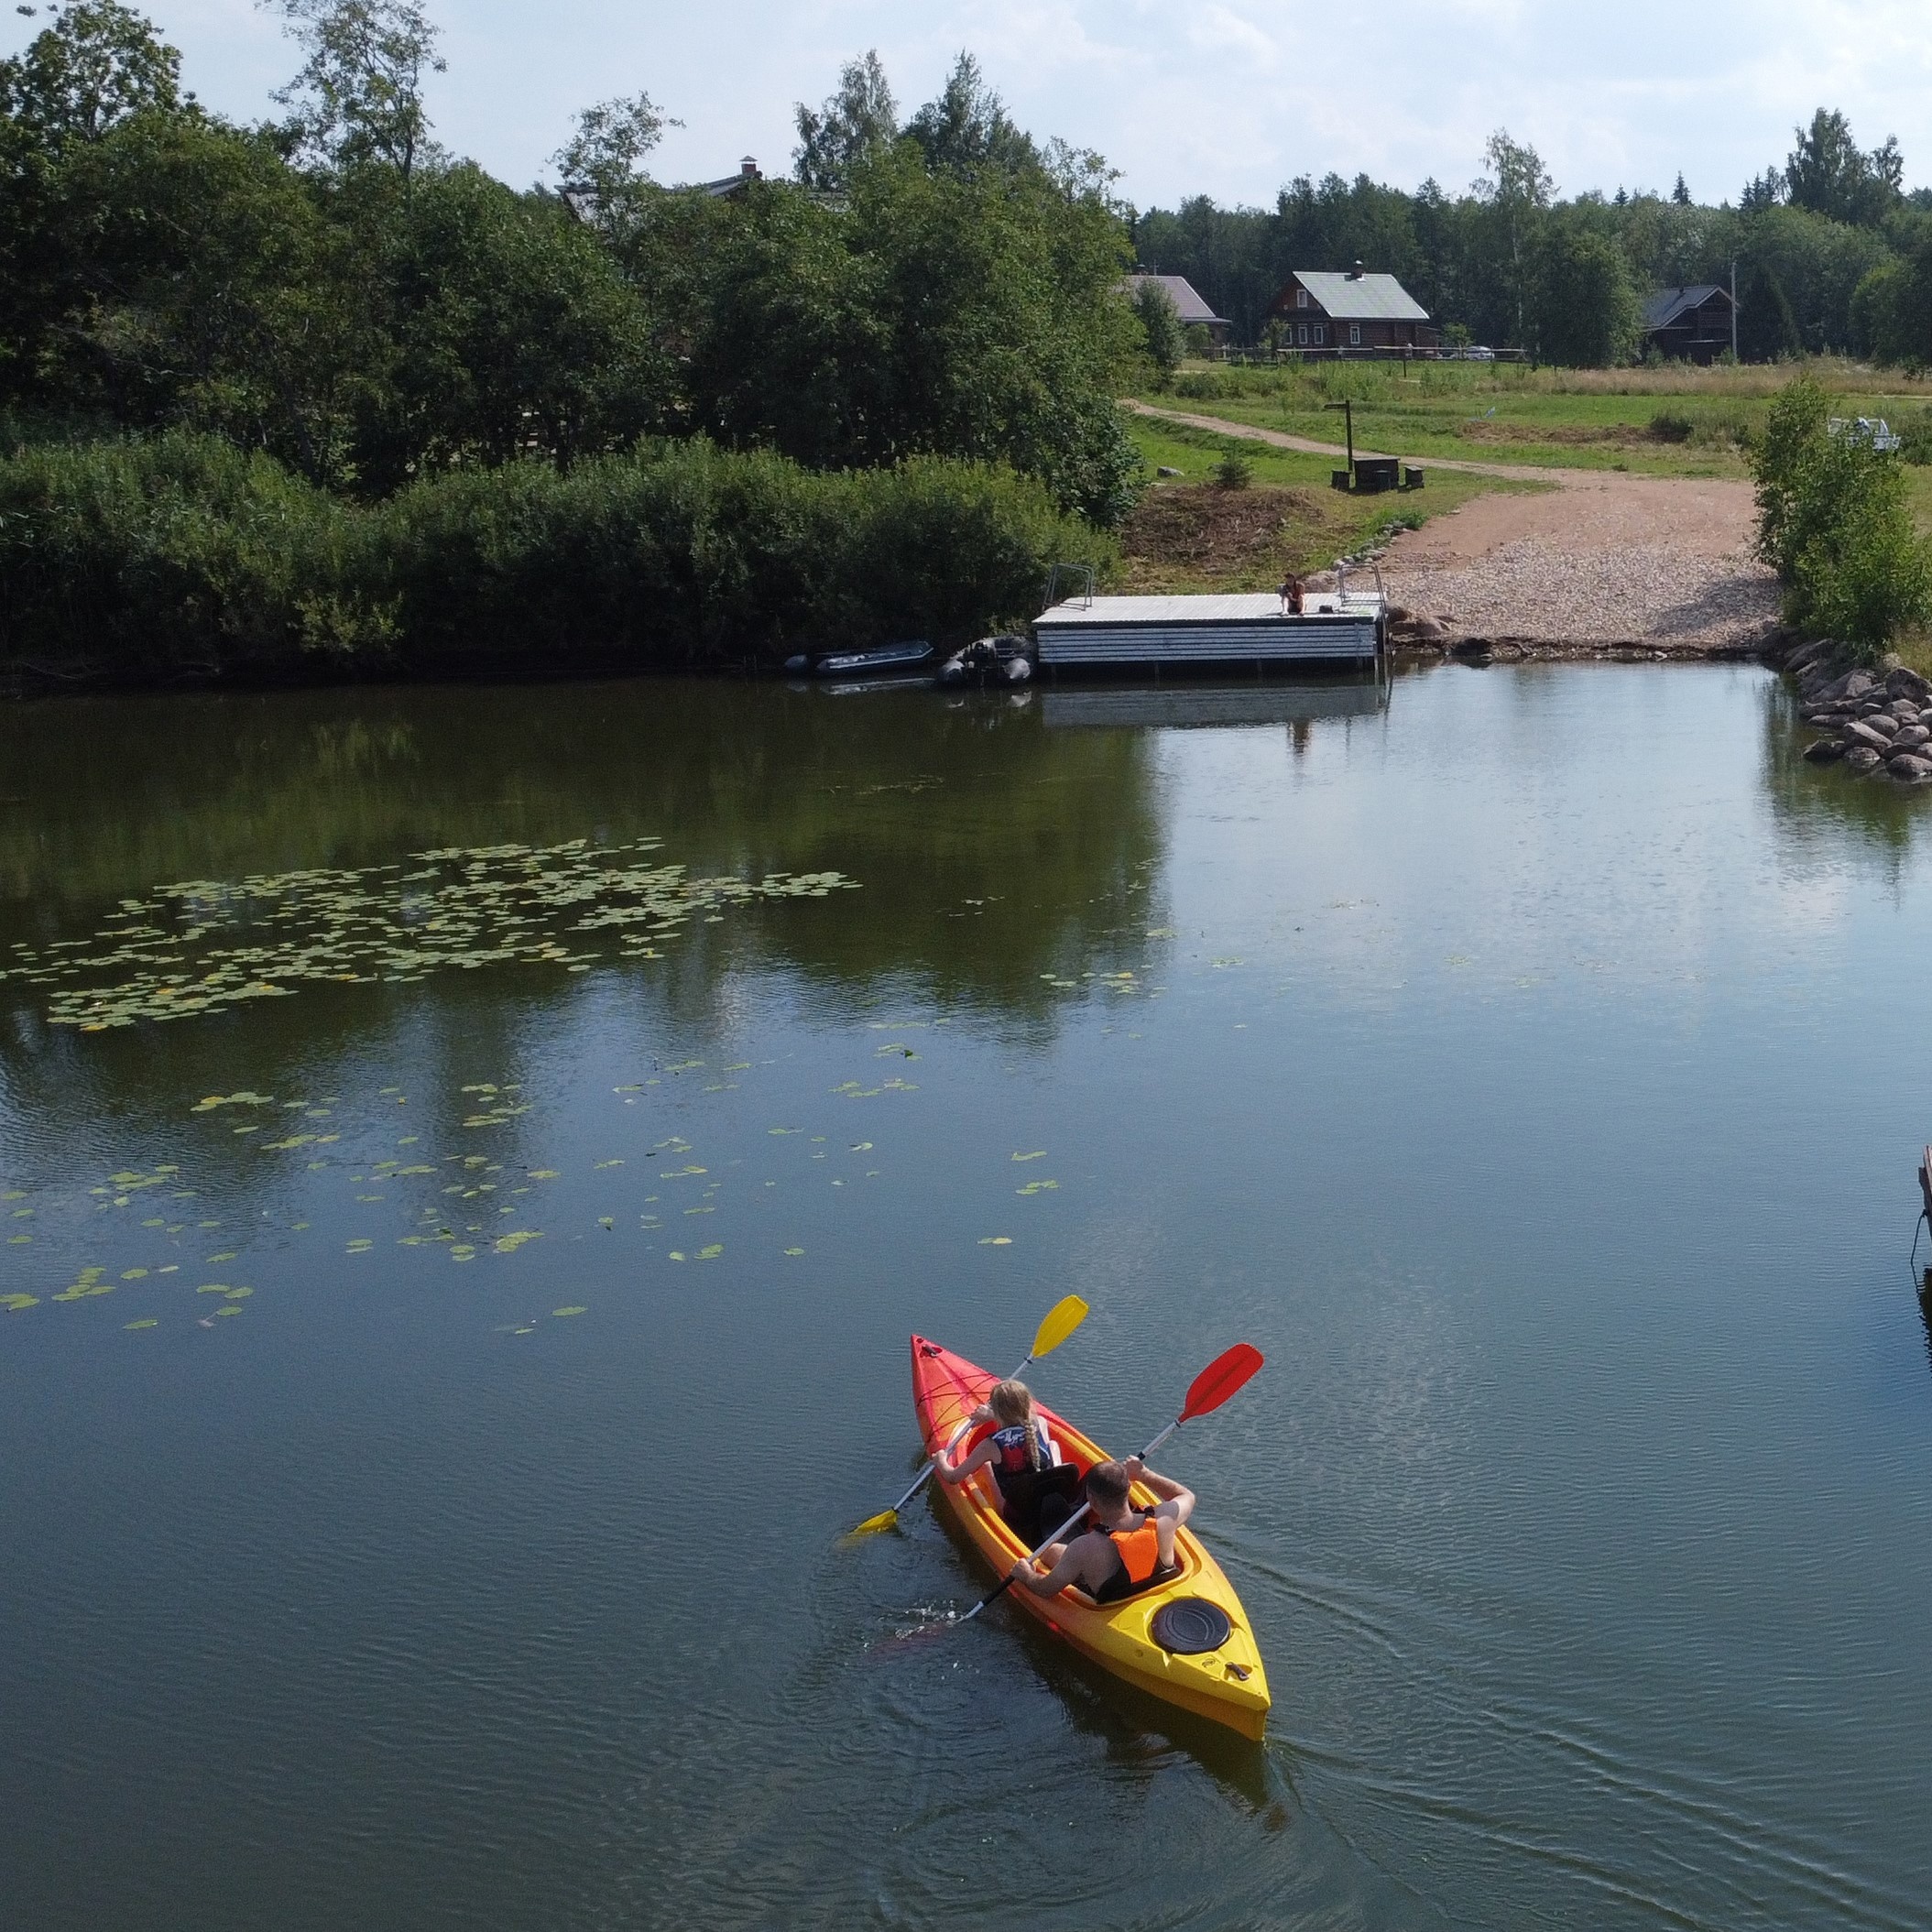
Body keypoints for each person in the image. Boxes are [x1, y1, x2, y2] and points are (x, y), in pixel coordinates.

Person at [1007, 1456, 1192, 1605]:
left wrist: (1027, 1576)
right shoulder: (1164, 1519)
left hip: (1114, 1605)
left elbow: (1045, 1590)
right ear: (1129, 1488)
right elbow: (1186, 1495)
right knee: (1055, 1551)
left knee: (1050, 1551)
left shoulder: (1084, 1548)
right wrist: (1144, 1474)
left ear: (1091, 1500)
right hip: (1158, 1587)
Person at [934, 1380, 1067, 1532]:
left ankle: (1002, 1520)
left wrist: (941, 1461)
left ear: (997, 1412)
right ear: (1028, 1404)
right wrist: (991, 1415)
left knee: (986, 1466)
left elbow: (953, 1478)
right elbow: (1021, 1420)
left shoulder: (990, 1445)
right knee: (1052, 1445)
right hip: (1049, 1502)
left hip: (1018, 1515)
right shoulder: (1040, 1423)